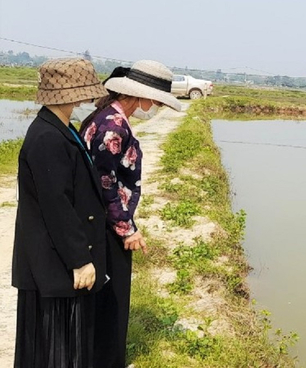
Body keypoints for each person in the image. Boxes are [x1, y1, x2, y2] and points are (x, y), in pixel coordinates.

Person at [79, 60, 181, 367]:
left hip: (101, 220)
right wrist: (127, 228)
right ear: (143, 96)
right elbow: (105, 183)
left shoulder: (106, 114)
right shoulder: (114, 125)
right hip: (107, 225)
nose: (155, 105)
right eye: (156, 98)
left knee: (105, 297)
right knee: (114, 299)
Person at [12, 58, 109, 368]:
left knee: (64, 346)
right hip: (54, 262)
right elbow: (57, 206)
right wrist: (80, 260)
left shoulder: (61, 128)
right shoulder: (47, 137)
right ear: (70, 93)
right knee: (54, 347)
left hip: (56, 259)